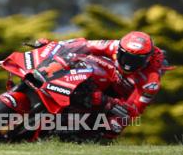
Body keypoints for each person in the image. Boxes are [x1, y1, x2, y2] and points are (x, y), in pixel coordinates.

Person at [35, 31, 172, 139]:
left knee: (114, 127)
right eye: (126, 57)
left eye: (136, 61)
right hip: (107, 79)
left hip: (119, 97)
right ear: (119, 51)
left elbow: (135, 110)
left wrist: (108, 103)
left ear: (147, 59)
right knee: (80, 57)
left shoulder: (151, 81)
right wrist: (51, 46)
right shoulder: (114, 45)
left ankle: (78, 133)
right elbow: (83, 44)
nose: (129, 64)